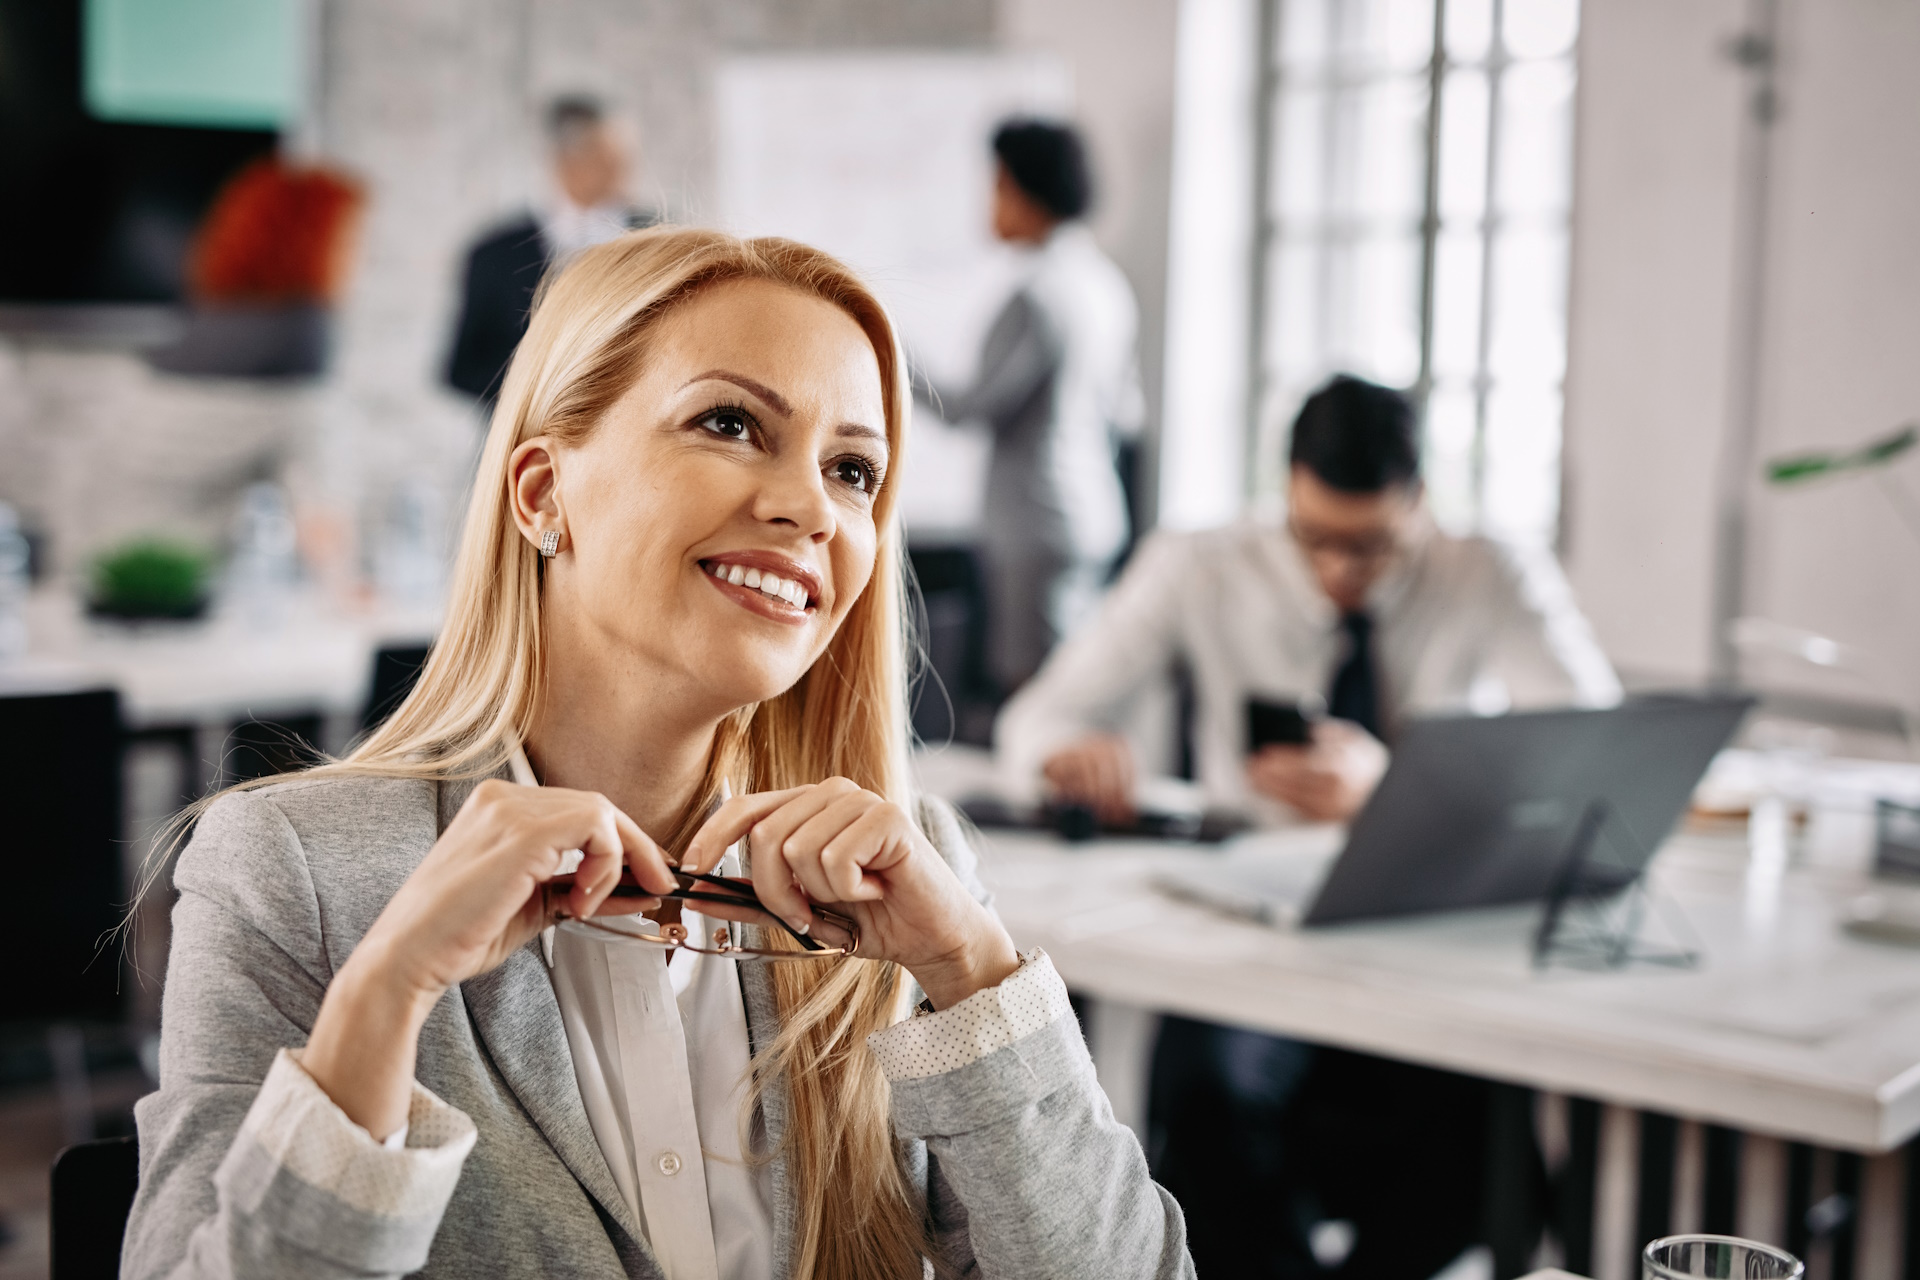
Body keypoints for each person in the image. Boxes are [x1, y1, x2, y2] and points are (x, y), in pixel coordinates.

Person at [124, 226, 1192, 1280]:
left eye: (855, 469)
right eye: (729, 422)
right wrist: (385, 990)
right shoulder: (290, 869)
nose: (811, 507)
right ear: (543, 493)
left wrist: (971, 971)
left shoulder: (917, 878)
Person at [996, 373, 1622, 1278]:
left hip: (1421, 918)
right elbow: (1035, 722)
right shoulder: (1200, 562)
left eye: (1371, 546)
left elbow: (1592, 763)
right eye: (1316, 538)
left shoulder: (1487, 570)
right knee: (1205, 1101)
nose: (1338, 570)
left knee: (1472, 1135)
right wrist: (1068, 754)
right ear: (1285, 491)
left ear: (1420, 505)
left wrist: (1395, 791)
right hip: (1247, 917)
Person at [925, 118, 1144, 696]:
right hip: (1093, 511)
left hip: (1036, 524)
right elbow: (1128, 412)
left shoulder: (1037, 296)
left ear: (1028, 189)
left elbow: (967, 407)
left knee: (1034, 694)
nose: (990, 203)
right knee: (1071, 685)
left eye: (997, 186)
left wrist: (888, 354)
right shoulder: (1104, 284)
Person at [445, 96, 658, 406]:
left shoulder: (659, 237)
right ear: (565, 161)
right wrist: (550, 391)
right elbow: (462, 368)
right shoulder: (495, 252)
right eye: (606, 157)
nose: (622, 169)